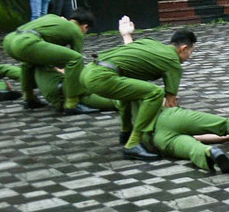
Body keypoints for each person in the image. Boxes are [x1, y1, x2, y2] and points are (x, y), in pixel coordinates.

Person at [80, 19, 196, 161]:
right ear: (183, 48)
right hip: (101, 78)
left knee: (131, 92)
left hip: (88, 70)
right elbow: (170, 103)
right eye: (191, 52)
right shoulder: (173, 62)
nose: (190, 57)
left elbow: (131, 52)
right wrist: (181, 124)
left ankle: (126, 132)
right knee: (155, 93)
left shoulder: (150, 42)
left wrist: (126, 34)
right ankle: (134, 143)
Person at [2, 8, 110, 114]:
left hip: (9, 40)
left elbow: (53, 54)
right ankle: (72, 103)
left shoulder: (53, 17)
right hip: (26, 42)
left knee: (28, 62)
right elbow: (76, 60)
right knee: (76, 59)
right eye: (86, 31)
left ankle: (29, 98)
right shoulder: (76, 30)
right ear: (85, 26)